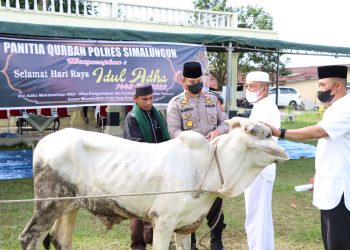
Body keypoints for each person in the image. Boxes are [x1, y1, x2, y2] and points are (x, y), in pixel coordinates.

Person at [264, 65, 350, 250]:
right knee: (330, 242)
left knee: (340, 243)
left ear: (336, 86)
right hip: (329, 185)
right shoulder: (334, 108)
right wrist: (318, 175)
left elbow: (319, 132)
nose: (319, 90)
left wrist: (281, 132)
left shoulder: (347, 107)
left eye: (322, 85)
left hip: (342, 190)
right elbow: (330, 148)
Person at [167, 61, 228, 250]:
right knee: (191, 202)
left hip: (213, 160)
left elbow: (226, 123)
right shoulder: (176, 104)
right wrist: (194, 140)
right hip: (189, 162)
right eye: (192, 81)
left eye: (199, 80)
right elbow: (174, 132)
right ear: (184, 81)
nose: (196, 83)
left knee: (215, 201)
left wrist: (218, 132)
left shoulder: (212, 99)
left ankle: (216, 240)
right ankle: (190, 241)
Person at [123, 83, 170, 250]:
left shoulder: (156, 114)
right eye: (145, 99)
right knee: (138, 209)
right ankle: (138, 245)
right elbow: (137, 146)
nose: (149, 102)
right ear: (135, 99)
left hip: (160, 168)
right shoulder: (132, 117)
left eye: (151, 98)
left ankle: (154, 239)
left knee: (158, 205)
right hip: (140, 170)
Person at [243, 71, 280, 250]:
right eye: (247, 86)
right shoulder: (260, 105)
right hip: (256, 167)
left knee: (256, 216)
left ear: (264, 89)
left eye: (252, 87)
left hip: (259, 169)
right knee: (260, 216)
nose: (248, 90)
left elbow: (262, 139)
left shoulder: (267, 108)